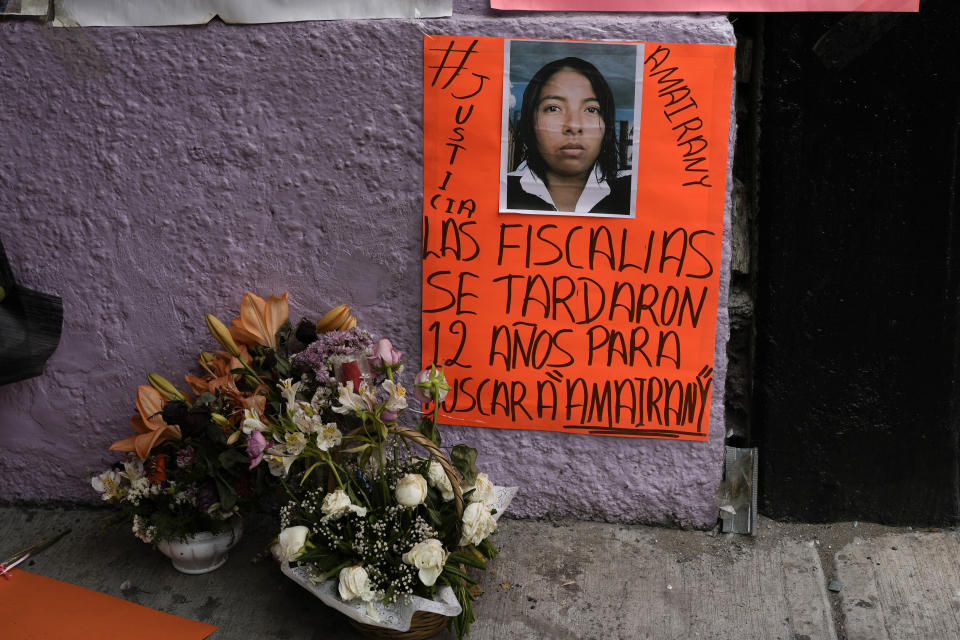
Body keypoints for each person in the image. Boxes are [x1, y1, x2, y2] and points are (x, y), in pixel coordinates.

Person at [507, 56, 632, 215]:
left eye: (591, 109)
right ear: (530, 121)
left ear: (606, 124)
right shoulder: (501, 189)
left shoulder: (632, 190)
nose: (573, 126)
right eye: (553, 108)